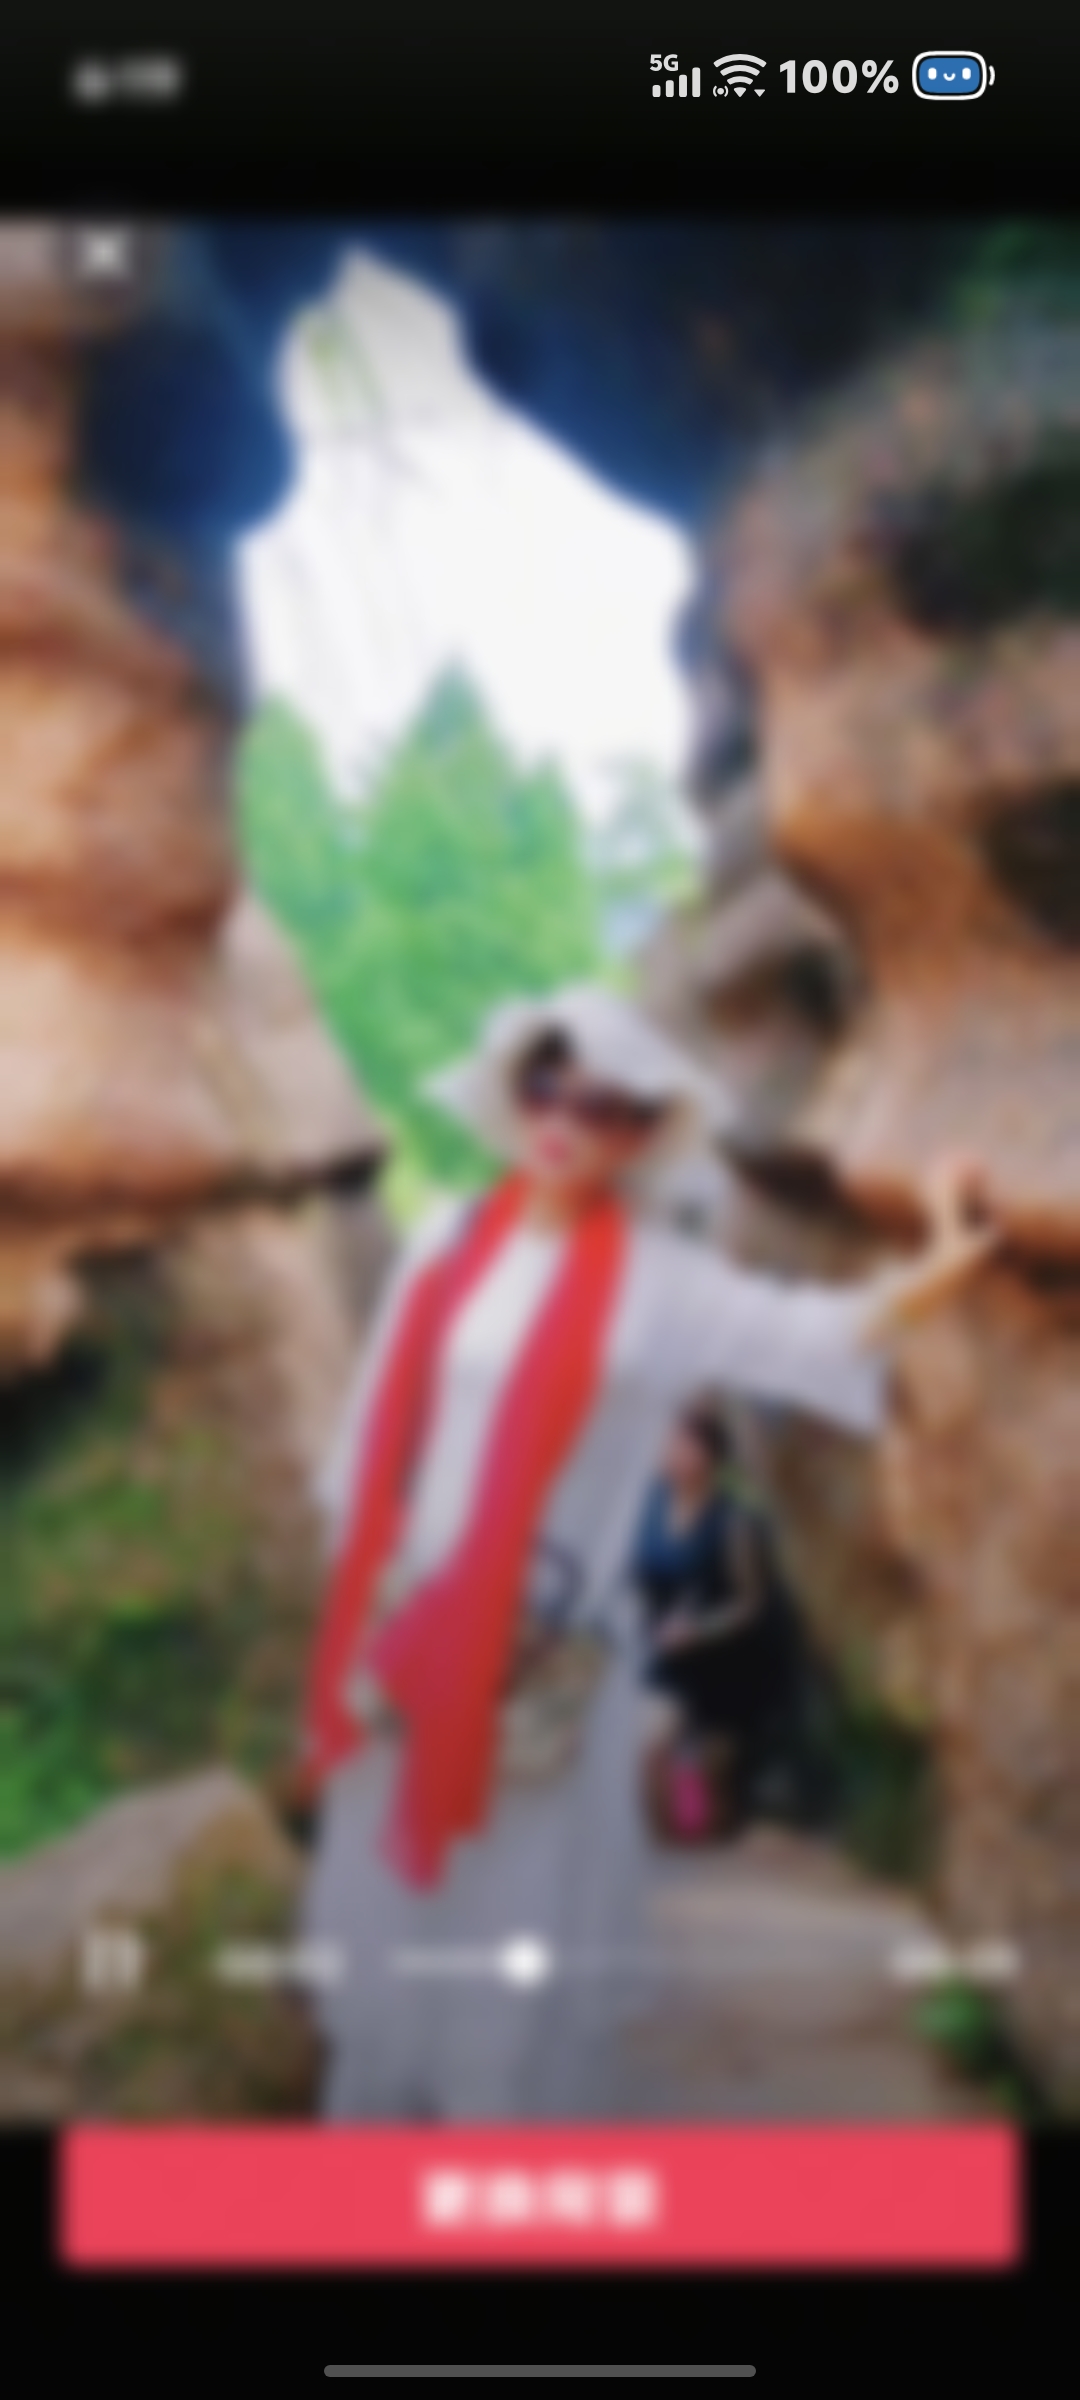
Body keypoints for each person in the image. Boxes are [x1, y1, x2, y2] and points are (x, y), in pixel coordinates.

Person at [293, 981, 999, 2122]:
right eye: (546, 1085)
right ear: (515, 1093)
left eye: (604, 1104)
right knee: (391, 1889)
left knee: (514, 1895)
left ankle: (487, 2132)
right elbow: (373, 1432)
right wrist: (349, 1615)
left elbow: (813, 1334)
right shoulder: (444, 1239)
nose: (565, 1117)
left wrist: (942, 1263)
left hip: (546, 1649)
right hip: (416, 1626)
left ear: (640, 1133)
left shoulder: (659, 1280)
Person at [633, 1399, 773, 1837]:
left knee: (685, 1779)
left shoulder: (732, 1522)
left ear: (710, 1458)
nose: (671, 1451)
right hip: (654, 1653)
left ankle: (692, 1828)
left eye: (683, 1444)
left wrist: (699, 1629)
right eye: (669, 1442)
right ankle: (671, 1834)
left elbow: (751, 1605)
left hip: (708, 1664)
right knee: (650, 1759)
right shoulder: (650, 1501)